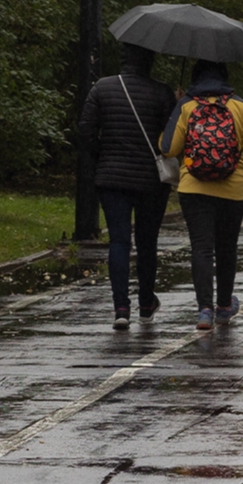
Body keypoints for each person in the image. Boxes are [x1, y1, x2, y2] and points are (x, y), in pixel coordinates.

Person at [160, 60, 243, 331]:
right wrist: (237, 168)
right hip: (234, 188)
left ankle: (204, 310)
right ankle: (224, 306)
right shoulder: (239, 105)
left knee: (202, 248)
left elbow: (168, 147)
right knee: (227, 247)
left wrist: (177, 104)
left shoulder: (187, 105)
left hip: (194, 188)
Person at [78, 43, 176, 330]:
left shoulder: (101, 88)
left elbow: (85, 131)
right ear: (149, 61)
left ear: (122, 61)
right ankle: (146, 303)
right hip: (150, 181)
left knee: (119, 241)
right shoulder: (161, 92)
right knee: (147, 242)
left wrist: (103, 154)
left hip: (111, 178)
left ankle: (121, 307)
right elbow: (170, 141)